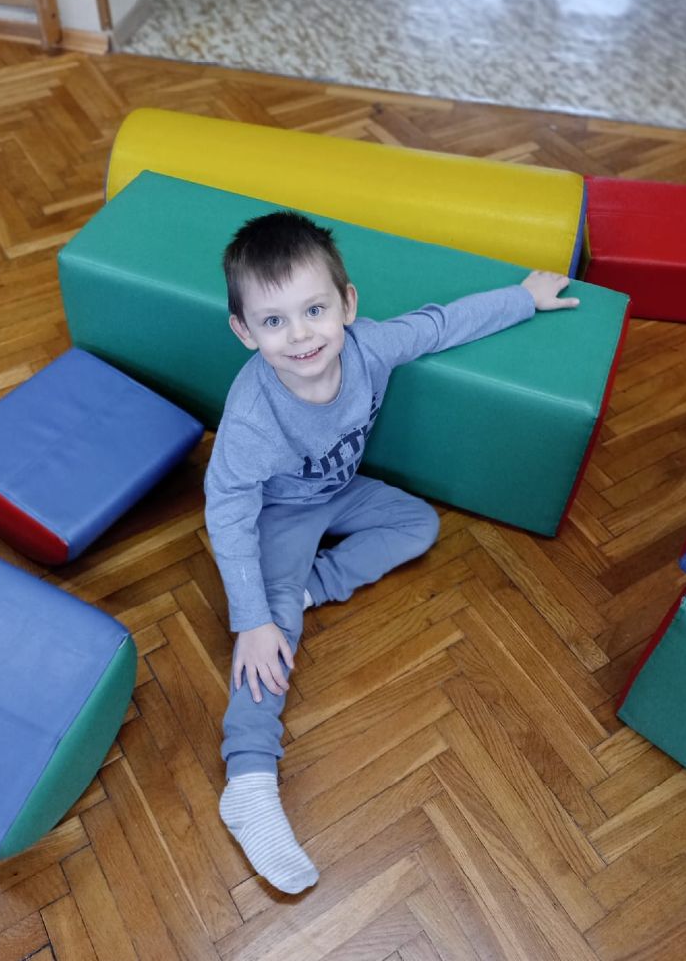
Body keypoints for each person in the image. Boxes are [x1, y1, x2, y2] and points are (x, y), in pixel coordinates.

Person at [204, 210, 579, 894]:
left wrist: (523, 298)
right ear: (245, 332)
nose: (301, 335)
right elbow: (227, 513)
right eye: (274, 321)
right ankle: (248, 778)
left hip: (338, 493)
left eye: (314, 310)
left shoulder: (368, 346)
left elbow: (440, 324)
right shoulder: (254, 416)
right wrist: (253, 619)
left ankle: (312, 588)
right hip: (278, 514)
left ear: (347, 304)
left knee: (417, 525)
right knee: (268, 628)